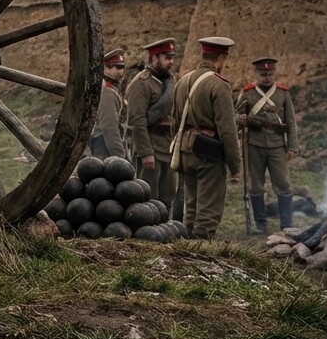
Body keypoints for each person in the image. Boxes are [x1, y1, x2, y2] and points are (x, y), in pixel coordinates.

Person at [172, 36, 241, 240]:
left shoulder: (182, 81)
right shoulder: (218, 85)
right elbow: (227, 130)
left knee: (191, 207)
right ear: (220, 58)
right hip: (207, 154)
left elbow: (175, 122)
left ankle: (186, 246)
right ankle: (201, 248)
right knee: (208, 209)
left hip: (185, 150)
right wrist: (234, 166)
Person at [236, 57, 300, 232]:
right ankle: (260, 224)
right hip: (254, 146)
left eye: (270, 74)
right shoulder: (247, 93)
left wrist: (293, 146)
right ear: (256, 74)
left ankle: (286, 224)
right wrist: (240, 120)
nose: (267, 77)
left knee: (284, 185)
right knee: (255, 186)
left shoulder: (283, 93)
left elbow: (291, 121)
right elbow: (235, 116)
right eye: (263, 74)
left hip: (277, 146)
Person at [126, 39, 181, 217]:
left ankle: (164, 230)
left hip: (167, 147)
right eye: (166, 57)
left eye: (172, 57)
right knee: (148, 196)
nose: (171, 62)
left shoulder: (168, 82)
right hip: (151, 148)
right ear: (154, 58)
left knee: (167, 196)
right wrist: (145, 152)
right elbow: (137, 120)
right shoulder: (141, 83)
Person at [88, 49, 128, 159]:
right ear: (106, 68)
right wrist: (120, 156)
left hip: (106, 142)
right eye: (117, 67)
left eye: (122, 67)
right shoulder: (107, 91)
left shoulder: (111, 88)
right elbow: (109, 127)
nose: (121, 71)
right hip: (104, 145)